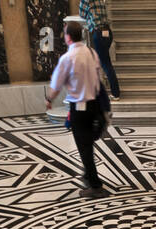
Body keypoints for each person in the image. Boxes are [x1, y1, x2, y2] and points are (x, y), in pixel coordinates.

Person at [46, 22, 108, 198]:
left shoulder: (68, 58)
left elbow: (56, 85)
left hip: (79, 109)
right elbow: (99, 77)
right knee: (88, 145)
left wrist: (49, 99)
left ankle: (95, 185)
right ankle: (89, 176)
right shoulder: (91, 52)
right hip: (94, 105)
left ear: (68, 37)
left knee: (84, 148)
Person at [80, 0, 120, 99]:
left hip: (98, 33)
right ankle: (113, 92)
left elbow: (82, 15)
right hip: (107, 32)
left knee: (104, 64)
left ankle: (113, 93)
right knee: (106, 63)